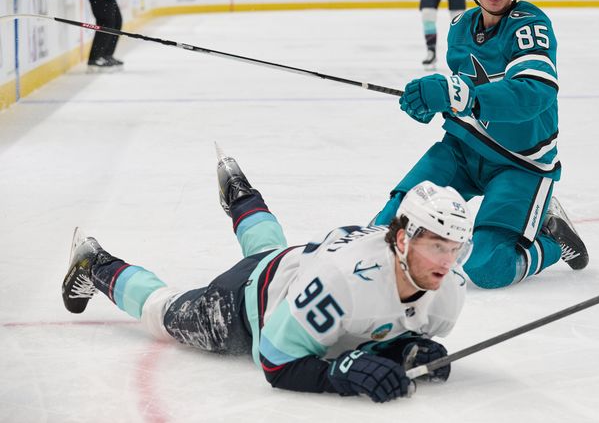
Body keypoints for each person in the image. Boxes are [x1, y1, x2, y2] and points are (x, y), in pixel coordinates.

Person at [62, 147, 474, 403]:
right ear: (401, 240)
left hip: (289, 267)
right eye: (436, 245)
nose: (446, 260)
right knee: (164, 313)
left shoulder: (449, 288)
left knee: (266, 248)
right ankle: (94, 263)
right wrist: (337, 376)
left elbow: (385, 322)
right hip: (241, 304)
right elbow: (276, 360)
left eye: (454, 248)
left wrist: (404, 349)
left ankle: (242, 195)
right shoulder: (344, 282)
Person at [374, 0, 588, 290]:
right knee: (389, 229)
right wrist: (432, 101)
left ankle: (549, 238)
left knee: (488, 267)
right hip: (461, 149)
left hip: (520, 162)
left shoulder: (529, 25)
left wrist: (460, 95)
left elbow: (535, 93)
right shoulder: (460, 26)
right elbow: (462, 93)